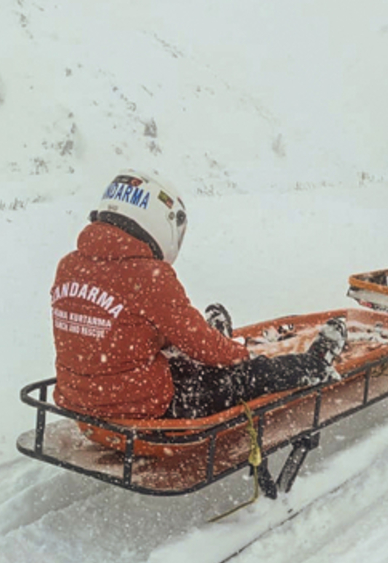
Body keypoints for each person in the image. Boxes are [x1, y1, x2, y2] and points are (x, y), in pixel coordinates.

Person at [50, 169, 347, 421]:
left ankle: (214, 340)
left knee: (186, 356)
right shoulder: (148, 275)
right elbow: (204, 347)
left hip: (82, 404)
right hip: (143, 411)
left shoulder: (69, 265)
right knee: (245, 377)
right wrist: (243, 356)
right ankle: (315, 364)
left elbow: (124, 329)